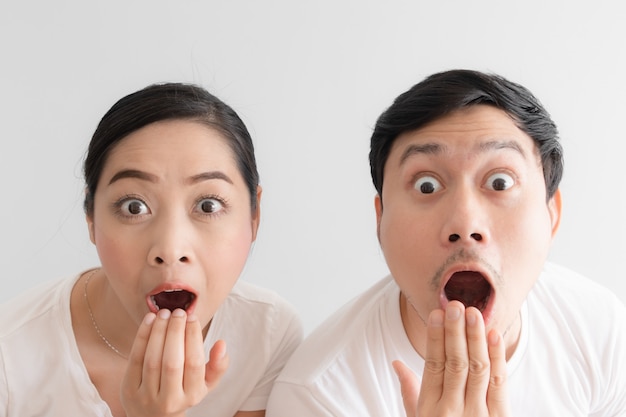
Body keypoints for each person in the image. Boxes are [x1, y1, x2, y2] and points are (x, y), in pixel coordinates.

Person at [266, 69, 626, 416]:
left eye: (499, 182)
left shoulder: (600, 329)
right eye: (427, 185)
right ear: (380, 219)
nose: (465, 224)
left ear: (552, 215)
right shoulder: (318, 396)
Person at [0, 83, 302, 417]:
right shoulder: (10, 358)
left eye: (207, 204)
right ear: (90, 218)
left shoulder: (266, 333)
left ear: (254, 214)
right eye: (133, 207)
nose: (170, 250)